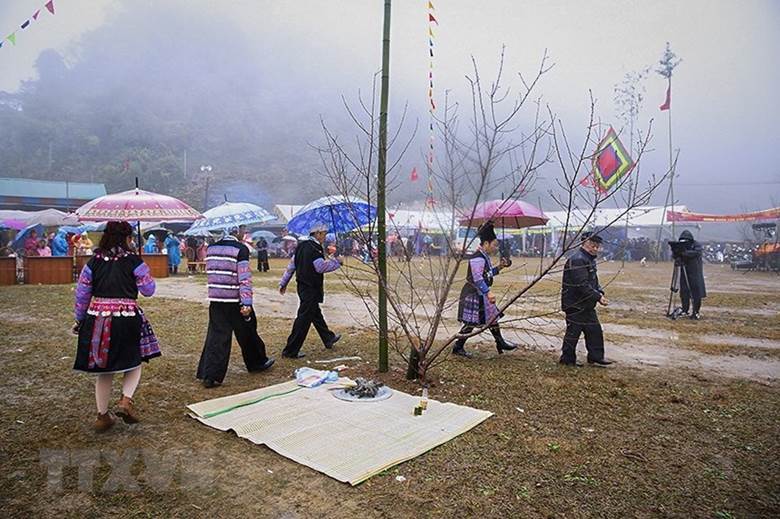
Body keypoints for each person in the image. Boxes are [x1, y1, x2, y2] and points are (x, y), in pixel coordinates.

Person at [72, 221, 161, 432]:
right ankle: (125, 400)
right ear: (128, 238)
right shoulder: (134, 261)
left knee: (104, 370)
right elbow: (148, 290)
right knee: (134, 361)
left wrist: (79, 318)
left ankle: (102, 416)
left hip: (97, 319)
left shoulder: (93, 263)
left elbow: (82, 293)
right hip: (127, 318)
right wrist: (142, 269)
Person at [196, 225, 274, 388]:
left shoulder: (211, 248)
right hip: (234, 299)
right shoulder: (240, 249)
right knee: (248, 330)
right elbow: (244, 278)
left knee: (217, 336)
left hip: (216, 299)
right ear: (235, 230)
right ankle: (256, 362)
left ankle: (210, 375)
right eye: (242, 230)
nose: (243, 232)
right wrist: (246, 302)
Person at [453, 222, 517, 358]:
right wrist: (488, 292)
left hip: (481, 293)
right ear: (486, 244)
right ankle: (458, 347)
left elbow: (486, 274)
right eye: (494, 245)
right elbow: (477, 279)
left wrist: (500, 267)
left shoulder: (484, 256)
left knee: (492, 318)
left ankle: (500, 342)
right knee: (470, 322)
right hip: (473, 294)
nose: (495, 248)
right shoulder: (477, 257)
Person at [279, 223, 342, 359]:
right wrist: (337, 262)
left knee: (315, 313)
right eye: (324, 234)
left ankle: (328, 338)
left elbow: (291, 266)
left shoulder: (301, 246)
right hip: (311, 288)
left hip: (302, 286)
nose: (325, 237)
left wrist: (284, 282)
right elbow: (320, 267)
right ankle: (290, 350)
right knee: (303, 319)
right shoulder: (315, 248)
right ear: (317, 234)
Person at [560, 232, 612, 367]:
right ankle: (567, 359)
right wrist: (598, 297)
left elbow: (593, 281)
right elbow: (581, 284)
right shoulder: (578, 260)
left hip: (586, 304)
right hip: (575, 304)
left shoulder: (588, 259)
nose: (595, 249)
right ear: (583, 243)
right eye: (592, 245)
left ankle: (596, 356)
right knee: (573, 333)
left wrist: (599, 292)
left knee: (594, 331)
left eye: (597, 246)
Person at [677, 230, 707, 320]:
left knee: (696, 292)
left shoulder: (696, 245)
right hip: (684, 271)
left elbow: (696, 253)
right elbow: (675, 255)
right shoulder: (681, 246)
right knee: (684, 292)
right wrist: (678, 256)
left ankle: (696, 311)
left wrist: (684, 253)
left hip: (695, 272)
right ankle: (685, 309)